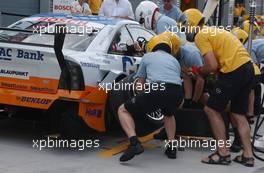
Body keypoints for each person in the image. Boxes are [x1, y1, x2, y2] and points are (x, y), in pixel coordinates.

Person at [184, 8, 255, 167]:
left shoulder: (201, 35)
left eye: (184, 26)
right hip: (247, 68)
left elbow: (211, 65)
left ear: (191, 24)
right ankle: (248, 156)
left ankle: (222, 153)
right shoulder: (214, 30)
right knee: (238, 114)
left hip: (233, 70)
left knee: (211, 109)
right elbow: (218, 62)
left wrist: (199, 72)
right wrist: (209, 71)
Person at [118, 35, 184, 162]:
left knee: (123, 110)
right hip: (177, 93)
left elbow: (140, 83)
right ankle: (172, 148)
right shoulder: (174, 61)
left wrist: (140, 98)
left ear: (151, 47)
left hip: (157, 89)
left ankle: (134, 143)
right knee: (168, 114)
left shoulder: (147, 56)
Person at [230, 28, 263, 152]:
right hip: (254, 73)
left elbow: (253, 63)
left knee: (236, 108)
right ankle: (249, 113)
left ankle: (247, 116)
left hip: (248, 73)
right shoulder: (248, 45)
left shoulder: (246, 47)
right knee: (251, 90)